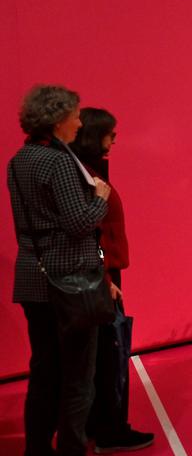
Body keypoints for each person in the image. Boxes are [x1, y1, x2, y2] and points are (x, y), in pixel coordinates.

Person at [7, 85, 111, 456]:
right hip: (70, 282)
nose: (80, 121)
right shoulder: (59, 163)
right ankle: (72, 448)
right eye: (76, 115)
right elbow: (80, 223)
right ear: (58, 120)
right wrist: (100, 198)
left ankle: (37, 448)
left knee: (44, 372)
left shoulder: (19, 160)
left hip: (33, 279)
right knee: (79, 378)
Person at [70, 108, 155, 452]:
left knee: (104, 351)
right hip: (101, 273)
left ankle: (99, 423)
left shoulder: (89, 171)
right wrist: (104, 278)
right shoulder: (86, 177)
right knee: (110, 351)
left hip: (103, 271)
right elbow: (91, 233)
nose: (115, 139)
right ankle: (110, 428)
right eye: (110, 133)